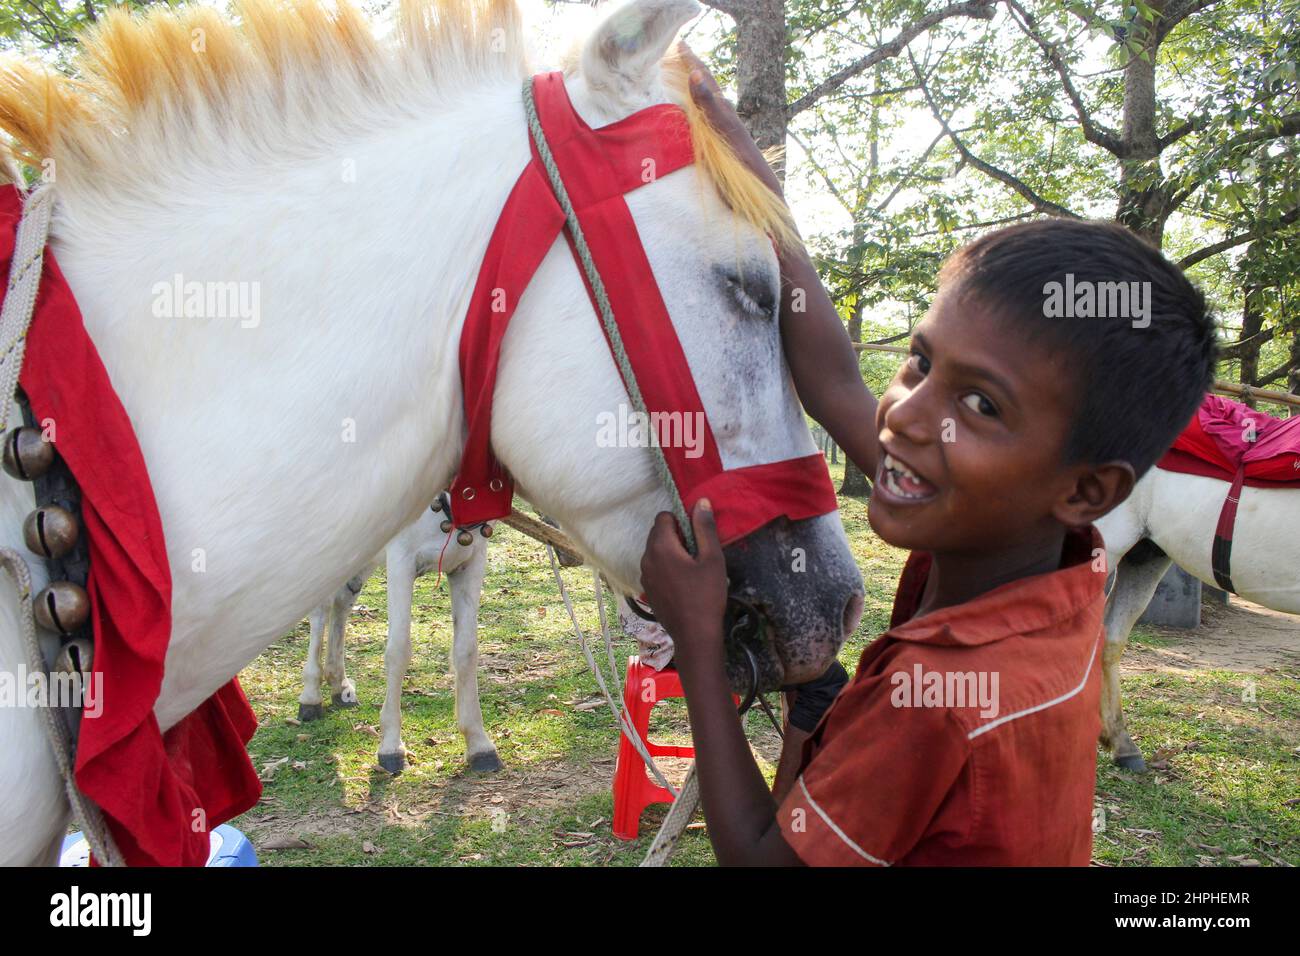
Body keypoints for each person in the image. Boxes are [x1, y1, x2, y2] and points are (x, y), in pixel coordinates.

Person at [639, 46, 1218, 866]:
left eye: (980, 403)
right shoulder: (1051, 571)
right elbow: (839, 385)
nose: (907, 413)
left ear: (1086, 489)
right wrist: (766, 208)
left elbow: (757, 860)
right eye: (919, 359)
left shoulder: (937, 700)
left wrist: (698, 643)